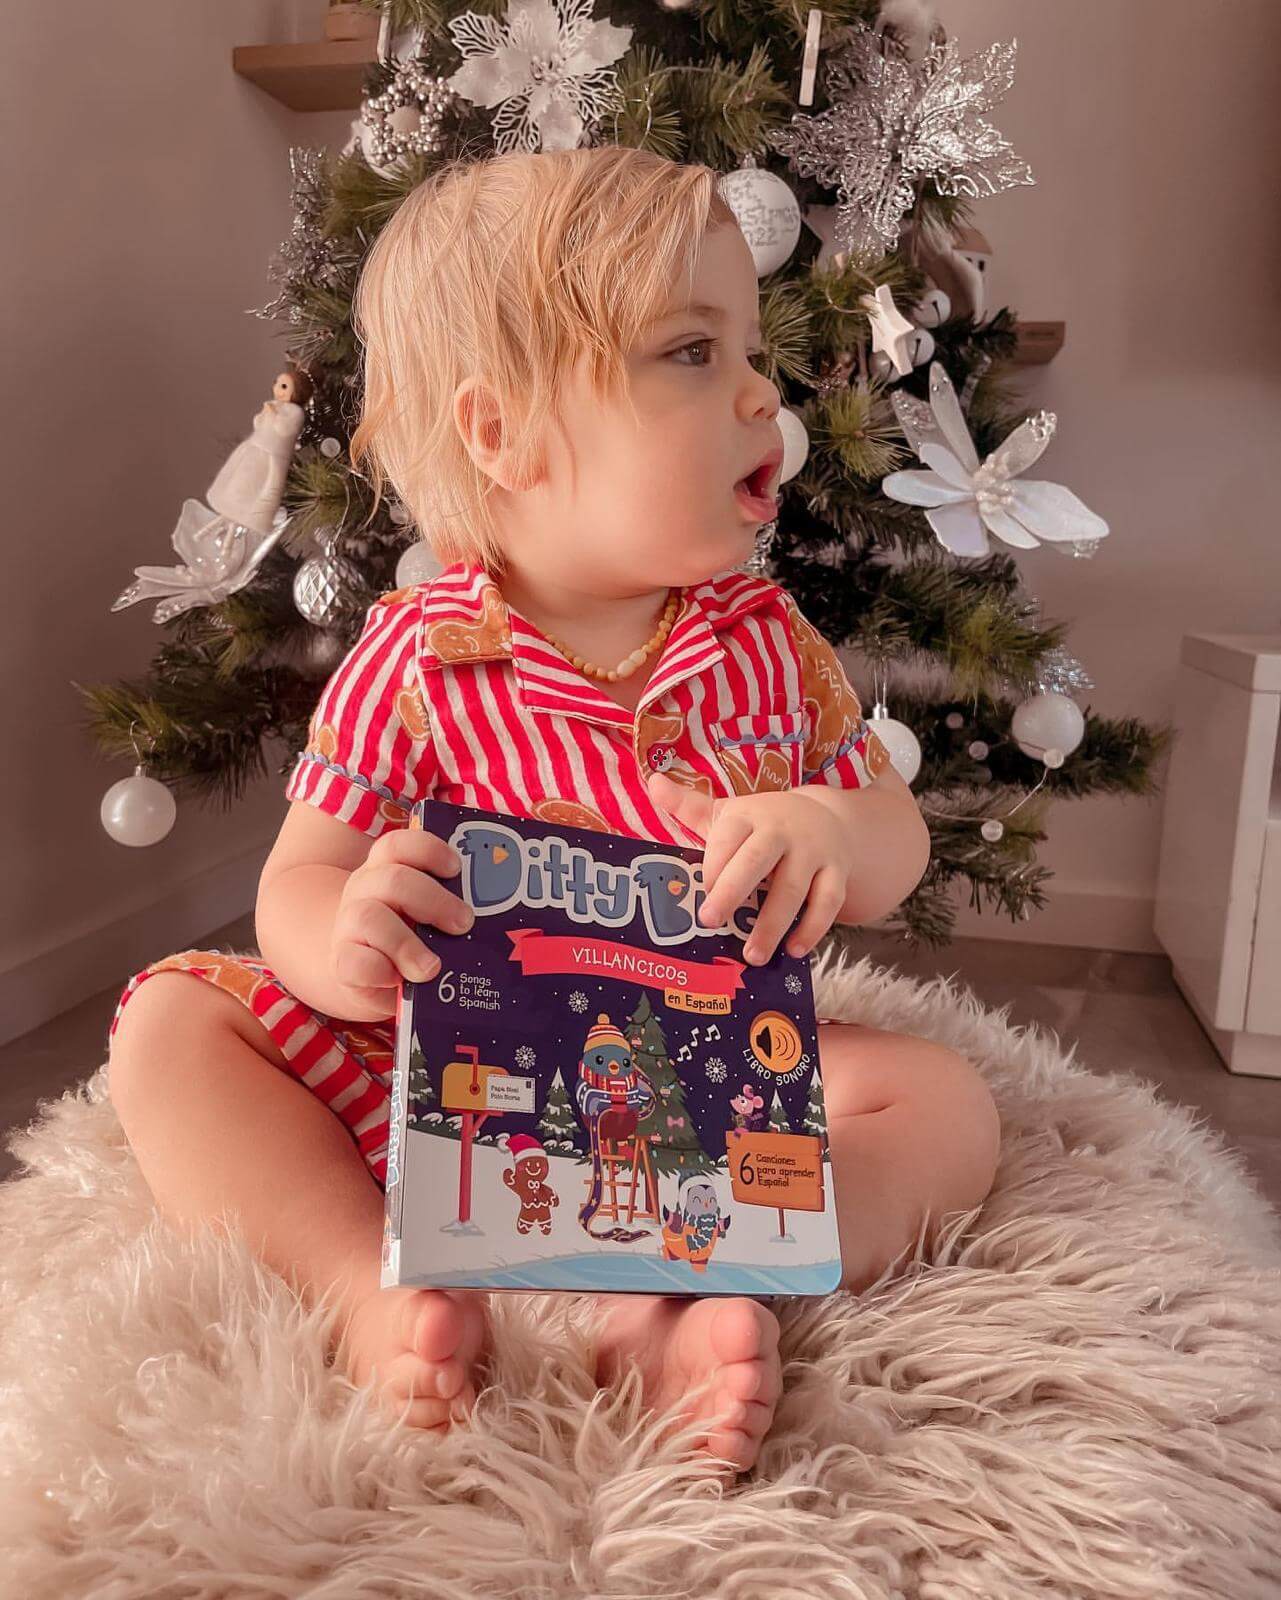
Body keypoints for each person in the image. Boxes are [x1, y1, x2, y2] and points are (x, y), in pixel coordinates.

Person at [106, 146, 1002, 1479]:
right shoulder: (419, 654)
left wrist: (832, 828)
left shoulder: (762, 643)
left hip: (700, 1081)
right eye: (692, 353)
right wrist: (342, 930)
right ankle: (372, 1292)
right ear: (499, 433)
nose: (765, 390)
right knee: (173, 1024)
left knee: (941, 1105)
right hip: (440, 1075)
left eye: (751, 347)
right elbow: (303, 874)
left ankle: (681, 1301)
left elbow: (890, 838)